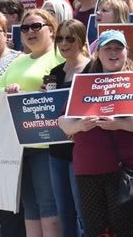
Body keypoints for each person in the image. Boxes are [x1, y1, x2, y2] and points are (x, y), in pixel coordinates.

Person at [59, 30, 133, 237]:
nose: (113, 52)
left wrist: (119, 124)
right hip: (89, 169)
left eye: (118, 48)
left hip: (127, 169)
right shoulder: (84, 82)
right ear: (98, 52)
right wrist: (80, 125)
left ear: (126, 52)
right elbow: (63, 121)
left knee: (127, 229)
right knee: (96, 230)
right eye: (108, 48)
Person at [0, 8, 65, 237]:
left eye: (36, 26)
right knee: (30, 204)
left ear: (52, 30)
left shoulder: (59, 57)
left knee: (47, 202)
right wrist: (7, 91)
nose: (30, 31)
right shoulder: (17, 61)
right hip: (18, 145)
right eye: (25, 28)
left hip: (47, 145)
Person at [49, 21, 90, 237]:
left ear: (81, 41)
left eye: (70, 38)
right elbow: (50, 108)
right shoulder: (54, 72)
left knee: (83, 210)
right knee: (63, 210)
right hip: (57, 149)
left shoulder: (93, 68)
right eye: (60, 38)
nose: (64, 43)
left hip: (83, 149)